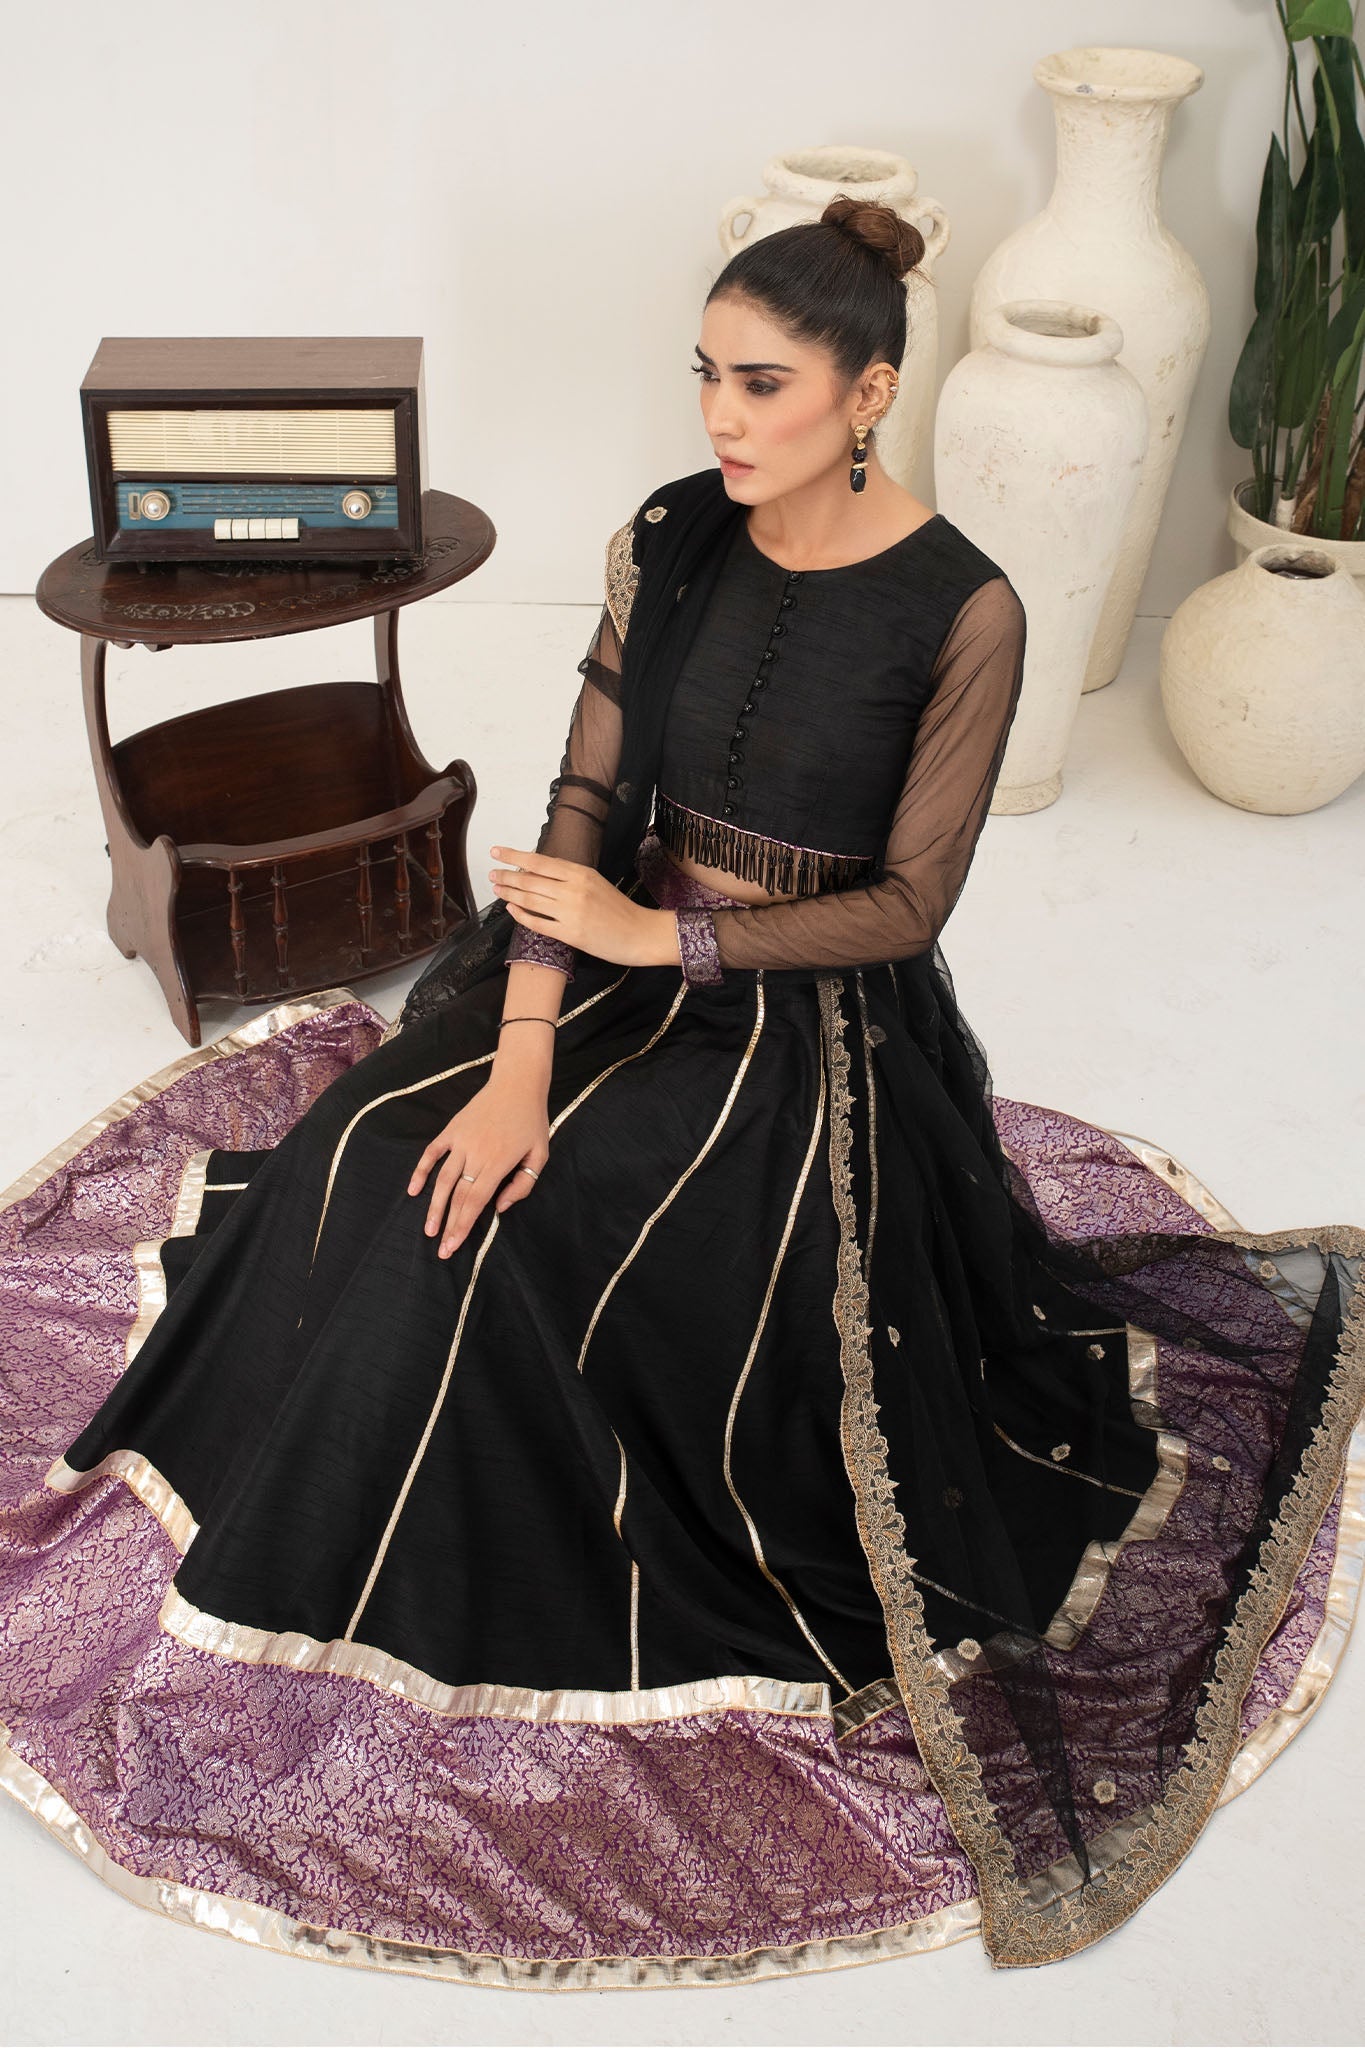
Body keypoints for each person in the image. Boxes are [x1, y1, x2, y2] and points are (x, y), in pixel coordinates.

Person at [1, 197, 1361, 1987]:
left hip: (801, 1025)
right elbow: (580, 809)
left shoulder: (964, 611)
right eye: (706, 373)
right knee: (368, 1147)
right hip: (592, 958)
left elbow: (906, 907)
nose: (720, 414)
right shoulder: (668, 535)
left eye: (763, 383)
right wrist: (521, 1053)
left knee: (532, 1242)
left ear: (868, 392)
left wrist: (671, 946)